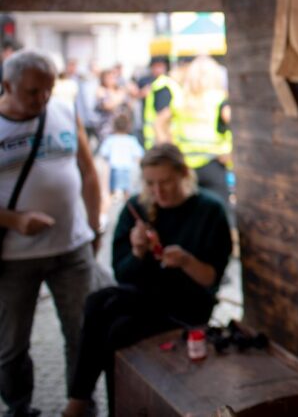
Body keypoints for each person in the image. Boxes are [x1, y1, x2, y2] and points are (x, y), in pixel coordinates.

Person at [61, 143, 233, 417]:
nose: (158, 191)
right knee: (97, 301)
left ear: (183, 175)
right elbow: (122, 274)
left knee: (117, 331)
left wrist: (186, 261)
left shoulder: (209, 210)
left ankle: (99, 406)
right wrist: (138, 252)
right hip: (145, 296)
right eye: (151, 183)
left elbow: (210, 280)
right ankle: (80, 401)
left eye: (166, 182)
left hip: (187, 306)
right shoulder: (137, 207)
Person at [0, 50, 102, 417]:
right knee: (11, 344)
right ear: (7, 85)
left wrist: (94, 224)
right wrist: (14, 220)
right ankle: (18, 406)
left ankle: (82, 401)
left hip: (72, 247)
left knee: (81, 332)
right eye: (32, 92)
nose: (42, 99)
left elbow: (88, 170)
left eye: (48, 90)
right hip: (15, 257)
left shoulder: (61, 109)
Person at [171, 55, 231, 210]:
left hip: (186, 164)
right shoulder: (218, 98)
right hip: (213, 162)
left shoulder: (181, 99)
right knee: (219, 212)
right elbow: (231, 123)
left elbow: (161, 123)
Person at [97, 112, 144, 201]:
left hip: (115, 170)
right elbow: (139, 156)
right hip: (127, 170)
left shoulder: (110, 140)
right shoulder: (131, 140)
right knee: (128, 195)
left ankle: (106, 212)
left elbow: (103, 154)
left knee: (112, 194)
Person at [138, 56, 179, 149]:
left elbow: (162, 119)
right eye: (155, 66)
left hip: (161, 142)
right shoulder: (149, 82)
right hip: (157, 141)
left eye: (160, 66)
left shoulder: (162, 86)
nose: (157, 70)